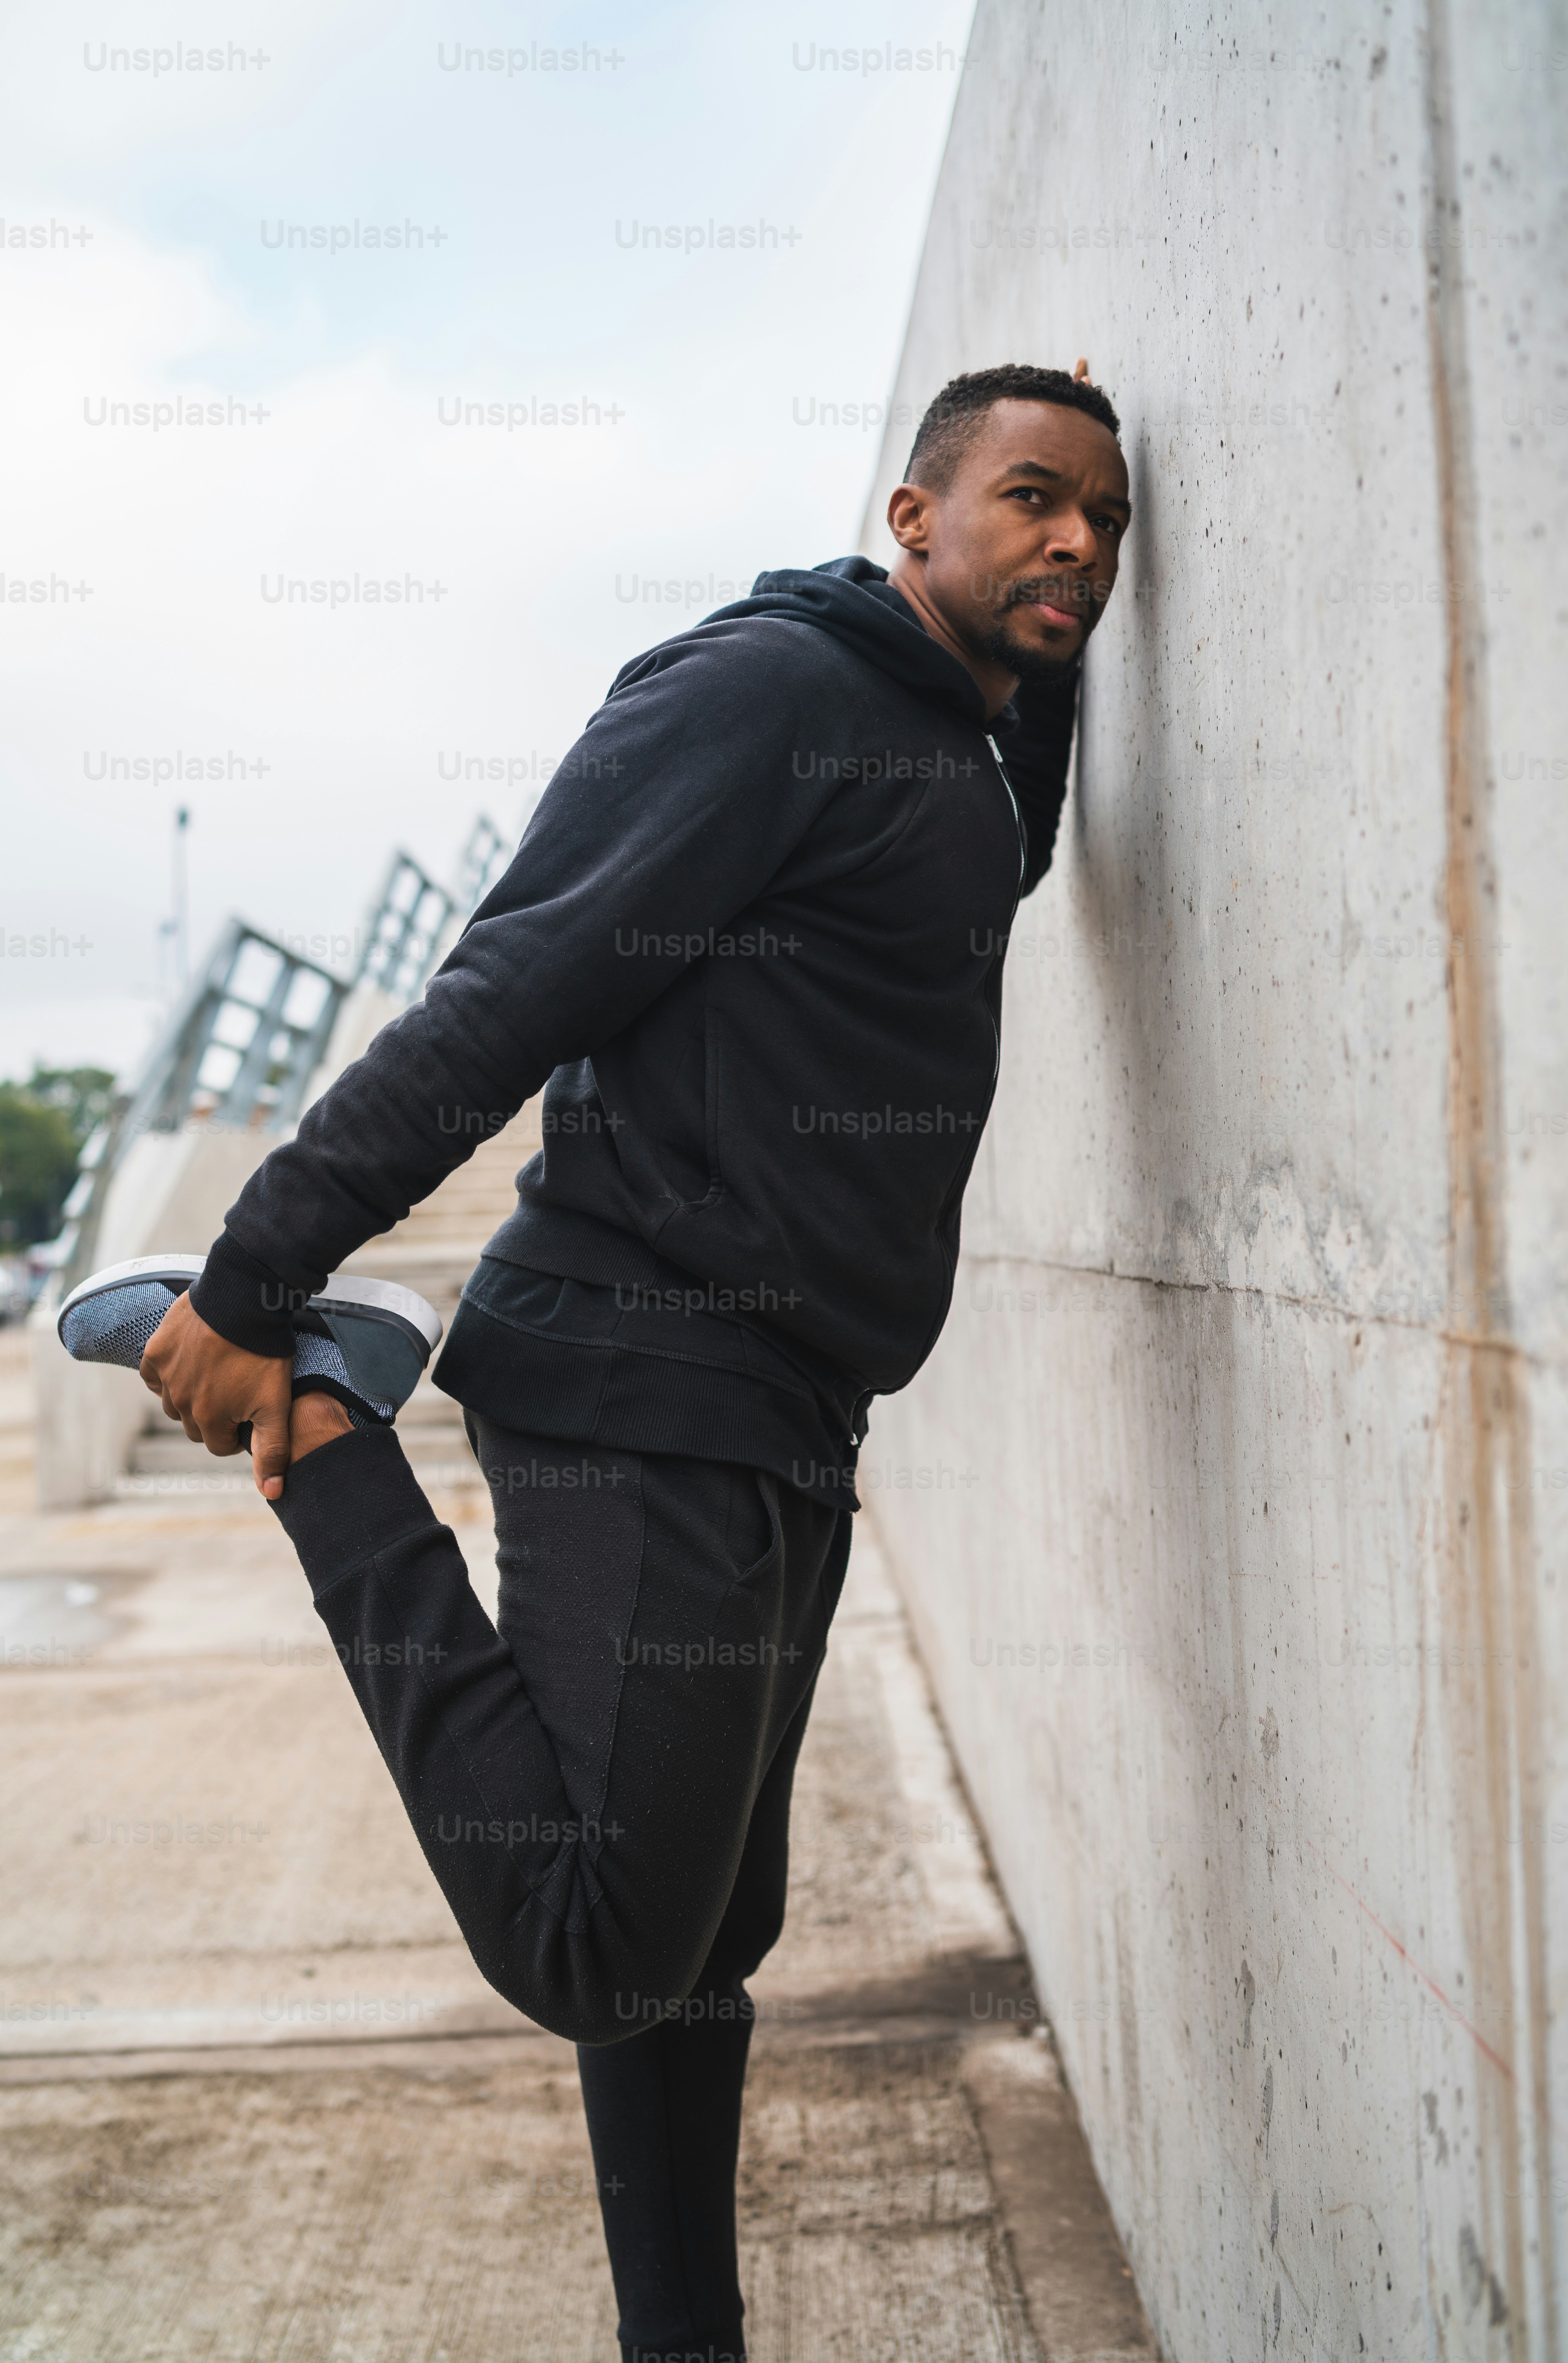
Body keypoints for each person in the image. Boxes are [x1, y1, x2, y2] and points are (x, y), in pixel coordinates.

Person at [136, 360, 1130, 2363]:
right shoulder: (760, 695)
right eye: (1030, 499)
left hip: (787, 1415)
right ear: (906, 515)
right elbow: (510, 987)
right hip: (633, 1379)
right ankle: (337, 1426)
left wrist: (1048, 661)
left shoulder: (951, 752)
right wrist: (257, 1284)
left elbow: (999, 854)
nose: (1078, 546)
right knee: (598, 1944)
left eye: (1103, 523)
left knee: (700, 1963)